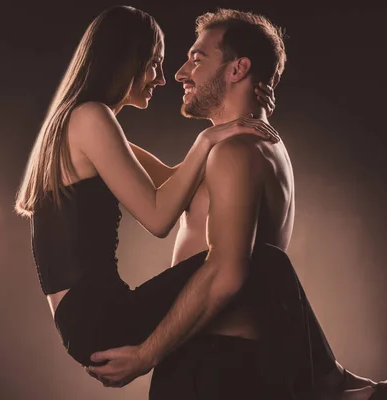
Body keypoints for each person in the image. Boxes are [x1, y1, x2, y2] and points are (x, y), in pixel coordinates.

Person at [86, 8, 386, 400]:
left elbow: (226, 273)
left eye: (197, 59)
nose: (180, 73)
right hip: (219, 357)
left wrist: (146, 355)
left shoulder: (237, 153)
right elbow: (163, 184)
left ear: (237, 69)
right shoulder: (252, 146)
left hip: (217, 366)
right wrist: (89, 129)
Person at [14, 1, 278, 382]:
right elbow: (158, 217)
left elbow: (176, 182)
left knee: (246, 265)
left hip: (85, 318)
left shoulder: (80, 122)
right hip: (98, 317)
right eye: (154, 63)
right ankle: (332, 381)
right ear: (126, 61)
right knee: (256, 266)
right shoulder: (91, 118)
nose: (160, 78)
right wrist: (207, 140)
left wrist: (246, 115)